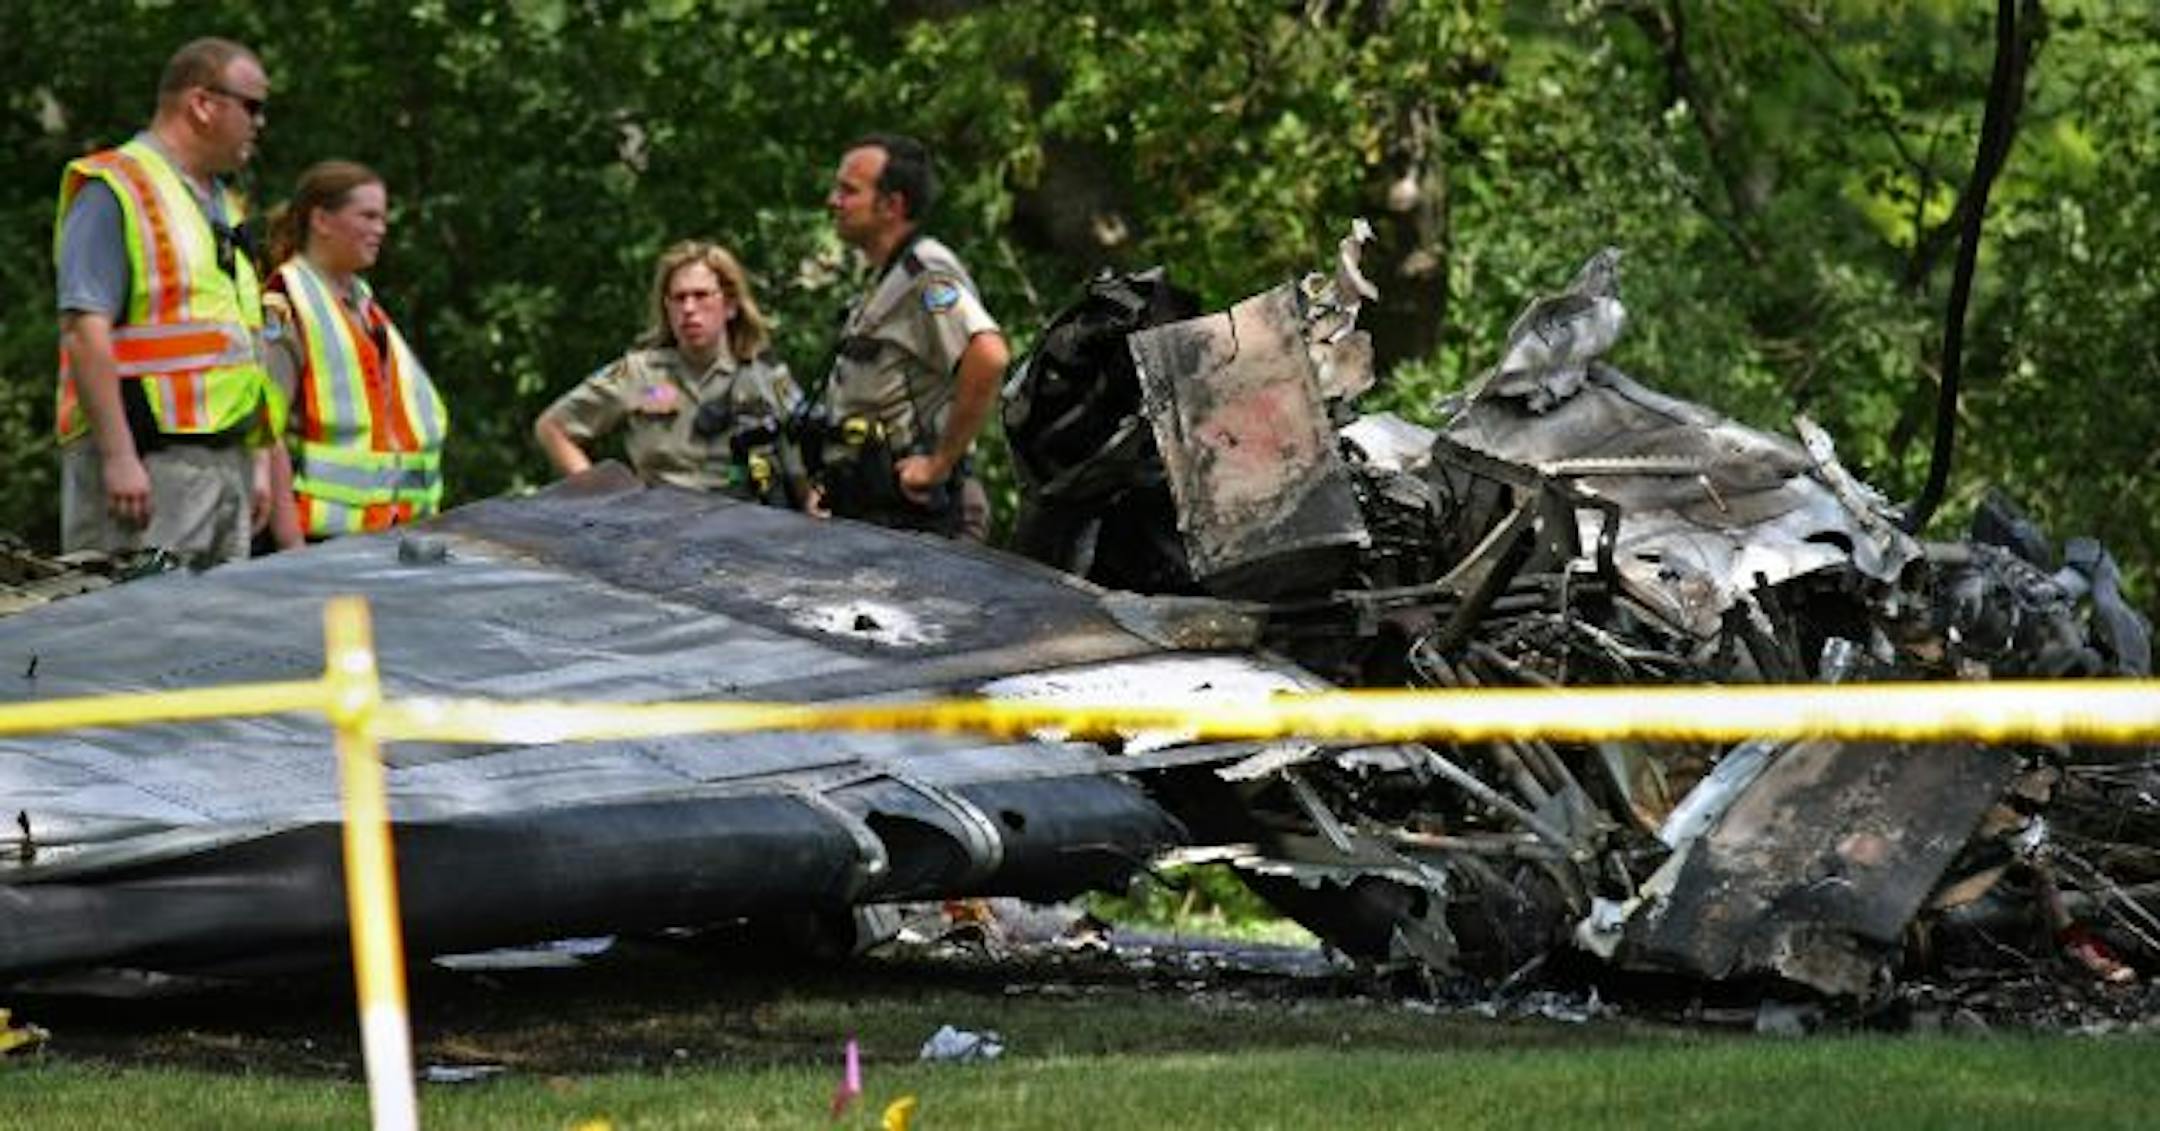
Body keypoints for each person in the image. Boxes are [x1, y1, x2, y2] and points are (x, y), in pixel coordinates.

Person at [53, 37, 276, 567]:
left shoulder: (222, 204)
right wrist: (118, 456)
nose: (259, 124)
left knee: (217, 640)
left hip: (225, 468)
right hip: (148, 470)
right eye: (253, 107)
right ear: (202, 103)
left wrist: (259, 461)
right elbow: (85, 332)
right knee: (132, 637)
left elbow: (241, 347)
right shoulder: (115, 187)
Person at [809, 133, 1007, 539]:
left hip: (919, 515)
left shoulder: (926, 272)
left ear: (892, 206)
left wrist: (939, 463)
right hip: (873, 510)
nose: (833, 201)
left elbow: (988, 355)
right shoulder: (884, 279)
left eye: (848, 191)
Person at [260, 160, 449, 545]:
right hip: (318, 545)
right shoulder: (285, 303)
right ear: (322, 221)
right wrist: (290, 547)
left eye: (383, 217)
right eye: (368, 216)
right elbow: (265, 431)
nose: (380, 229)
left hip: (391, 539)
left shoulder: (365, 306)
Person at [535, 241, 802, 504]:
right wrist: (602, 499)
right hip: (658, 530)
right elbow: (553, 427)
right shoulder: (636, 373)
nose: (688, 309)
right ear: (667, 306)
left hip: (745, 527)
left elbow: (805, 467)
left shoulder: (766, 377)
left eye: (700, 295)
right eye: (679, 298)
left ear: (730, 304)